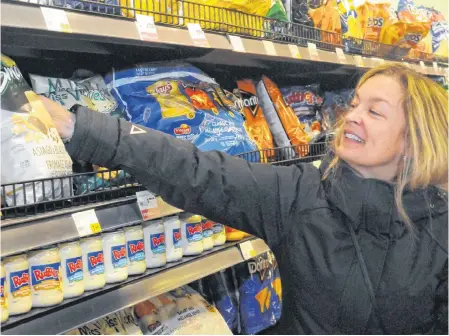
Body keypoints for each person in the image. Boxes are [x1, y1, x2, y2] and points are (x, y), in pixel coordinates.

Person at [39, 63, 448, 334]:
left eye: (375, 112)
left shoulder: (442, 230)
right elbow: (199, 170)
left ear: (415, 139)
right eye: (354, 103)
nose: (352, 115)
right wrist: (82, 128)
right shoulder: (302, 196)